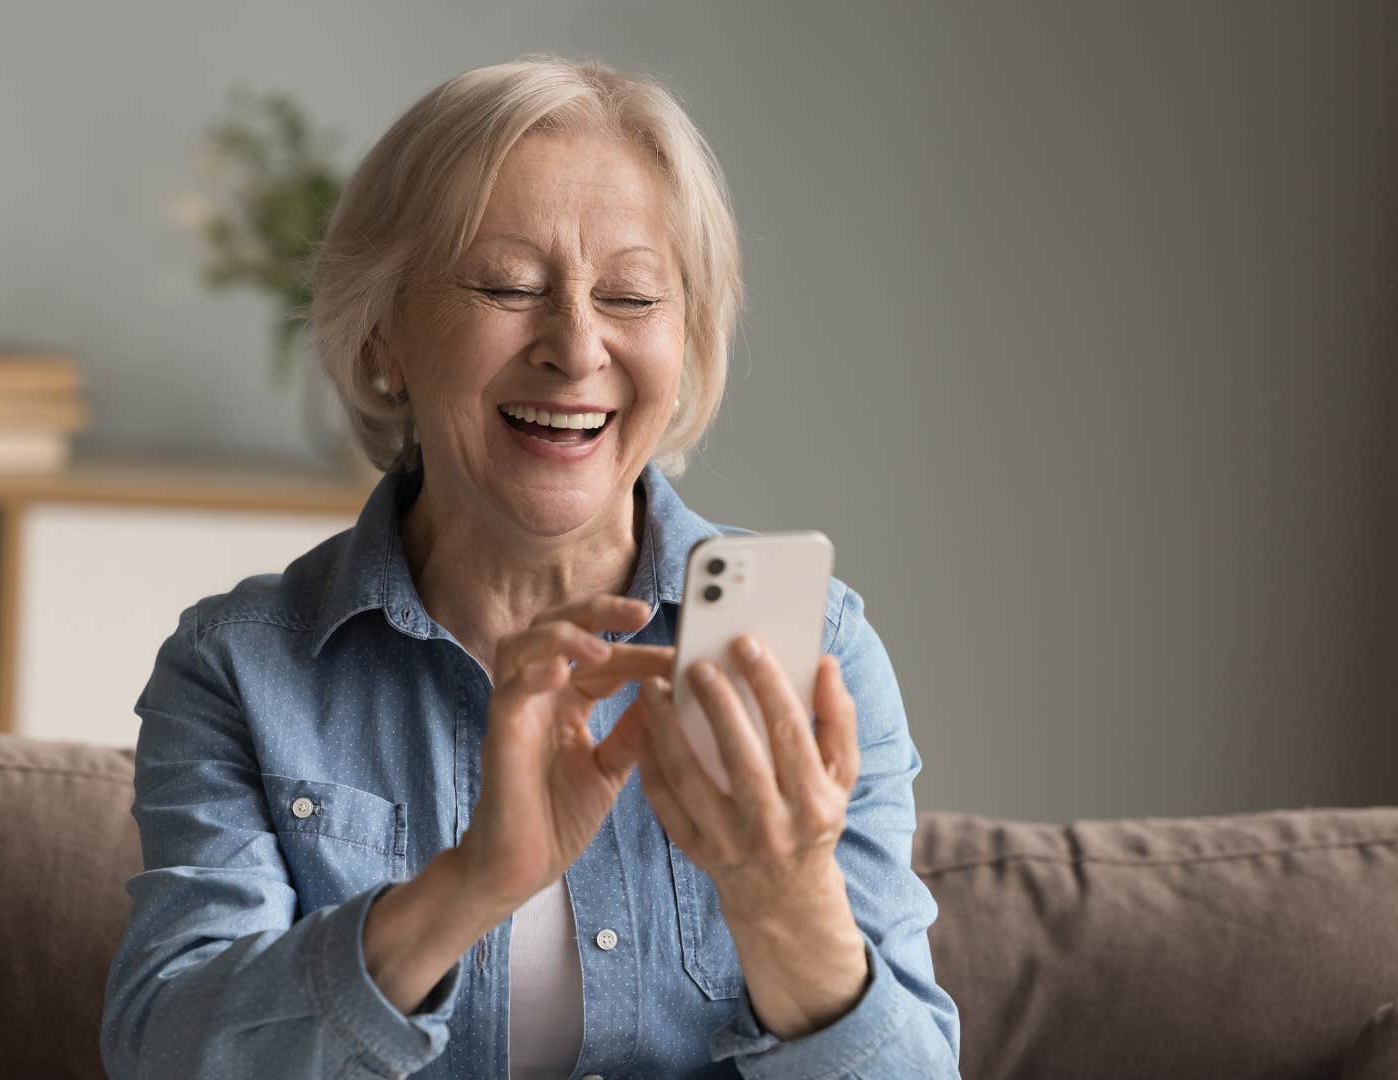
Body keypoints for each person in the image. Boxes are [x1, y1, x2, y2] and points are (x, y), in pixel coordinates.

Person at [100, 54, 961, 1079]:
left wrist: (788, 906)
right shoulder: (240, 670)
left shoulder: (814, 651)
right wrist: (469, 885)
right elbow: (168, 1056)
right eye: (510, 286)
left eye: (634, 297)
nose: (577, 345)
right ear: (383, 338)